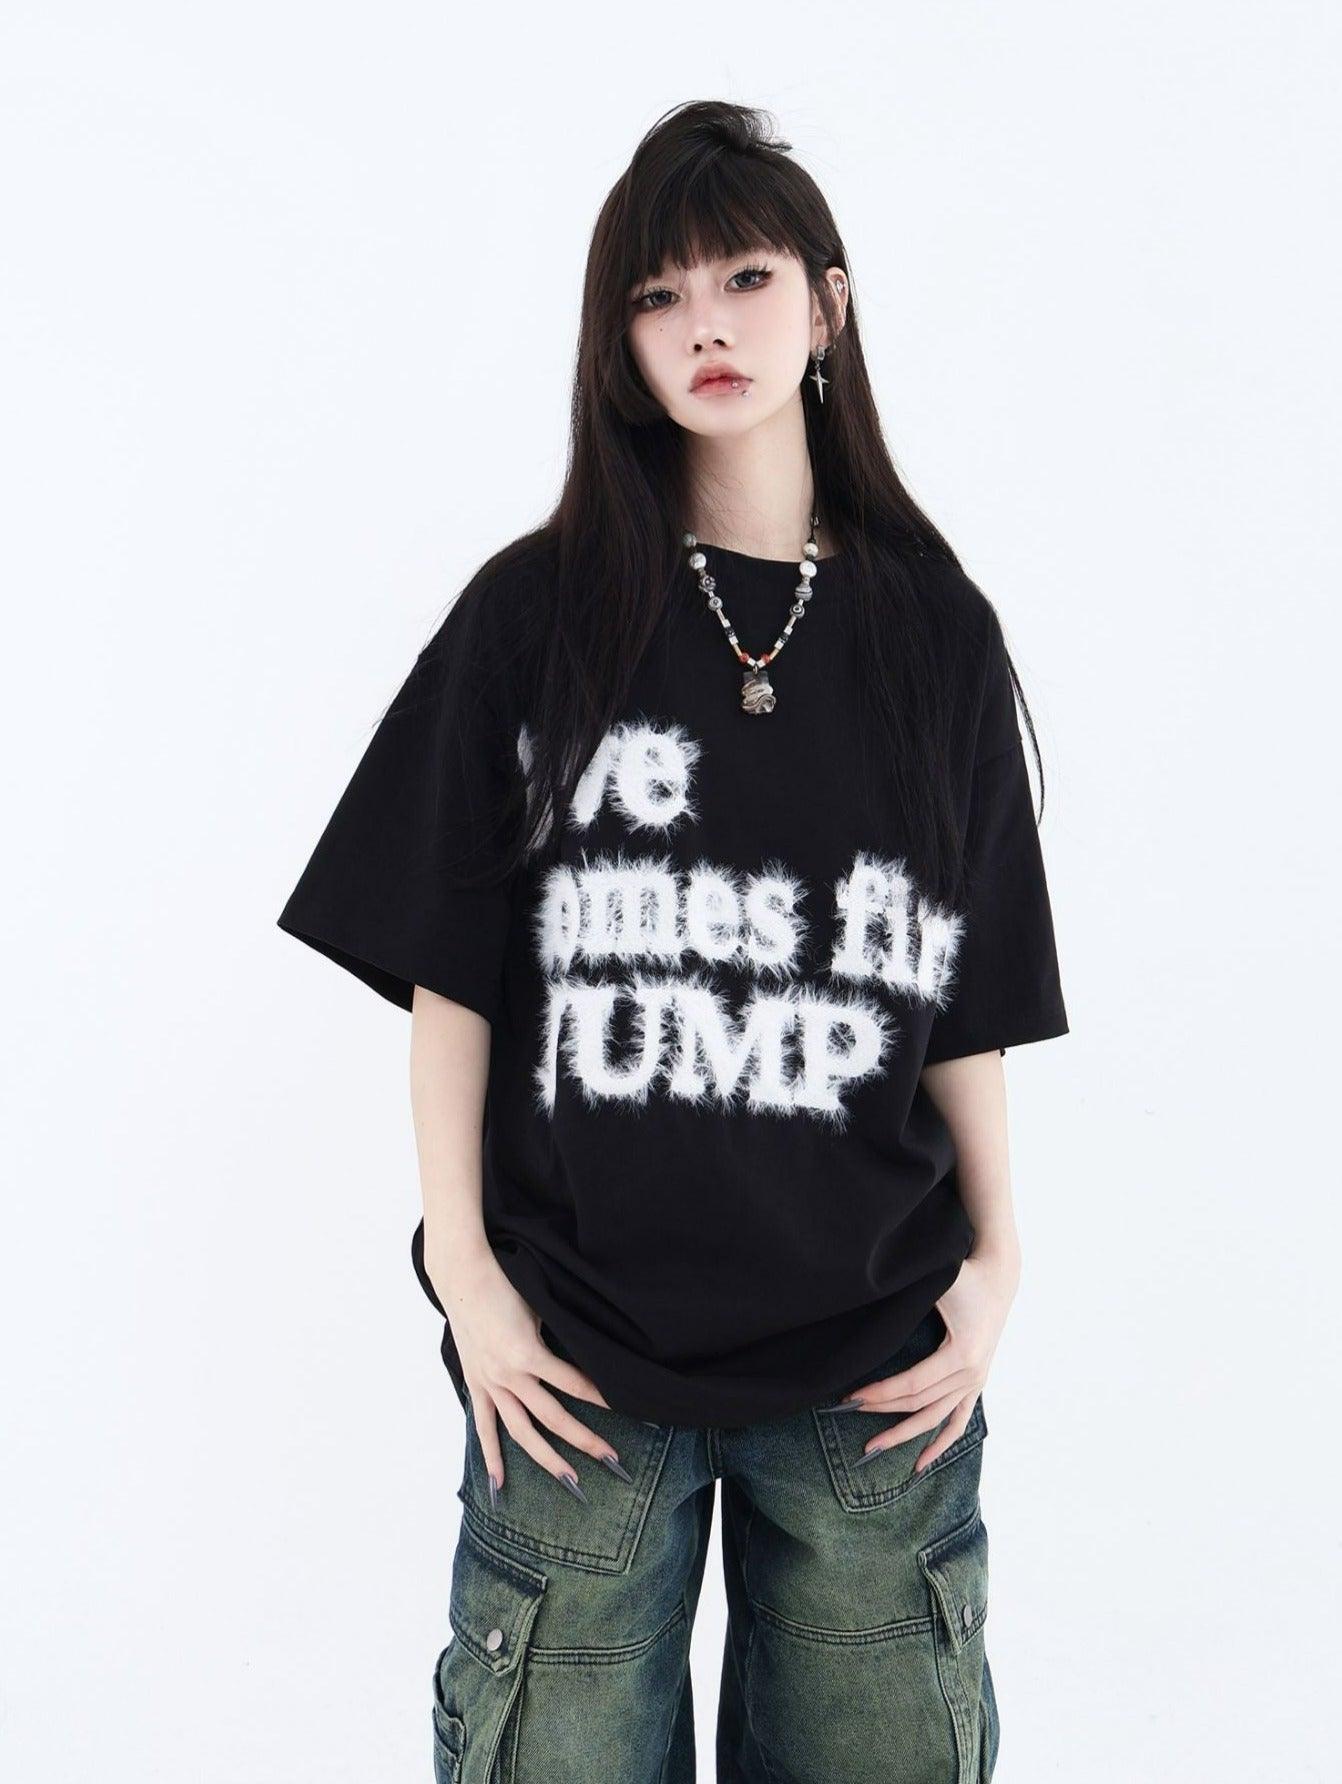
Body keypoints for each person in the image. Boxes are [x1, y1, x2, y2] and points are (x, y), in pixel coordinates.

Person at [277, 98, 1068, 1784]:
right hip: (574, 1362)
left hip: (873, 1363)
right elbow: (449, 977)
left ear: (828, 307)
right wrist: (468, 1282)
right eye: (656, 295)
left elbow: (961, 993)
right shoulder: (534, 615)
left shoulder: (933, 631)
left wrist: (999, 1265)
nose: (705, 323)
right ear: (617, 344)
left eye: (744, 277)